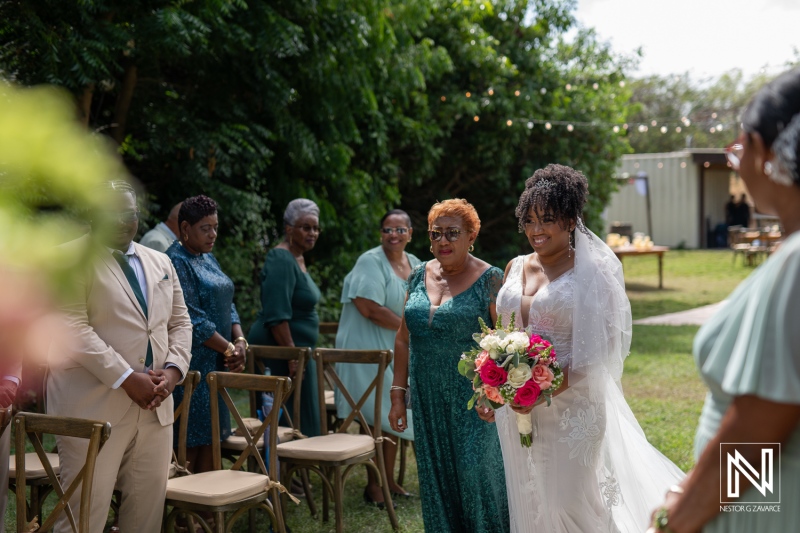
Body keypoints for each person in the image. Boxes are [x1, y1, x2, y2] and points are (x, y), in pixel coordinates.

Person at [488, 164, 683, 532]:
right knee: (529, 498)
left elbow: (600, 356)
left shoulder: (594, 275)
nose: (536, 230)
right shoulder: (515, 266)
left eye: (547, 219)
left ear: (571, 220)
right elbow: (501, 337)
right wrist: (495, 388)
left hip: (572, 408)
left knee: (569, 504)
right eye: (529, 220)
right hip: (516, 409)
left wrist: (541, 391)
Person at [649, 68, 800, 533]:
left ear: (767, 152)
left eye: (740, 148)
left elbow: (760, 428)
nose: (737, 162)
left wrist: (680, 517)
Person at [47, 180, 192, 532]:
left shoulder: (161, 262)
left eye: (129, 212)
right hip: (92, 406)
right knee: (84, 514)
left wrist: (173, 371)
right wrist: (128, 379)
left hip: (156, 407)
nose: (122, 220)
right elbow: (73, 329)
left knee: (145, 514)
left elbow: (181, 321)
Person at [388, 199, 510, 532]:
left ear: (472, 235)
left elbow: (505, 344)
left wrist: (492, 394)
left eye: (452, 233)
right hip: (426, 399)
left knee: (475, 477)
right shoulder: (417, 275)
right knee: (435, 478)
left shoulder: (491, 279)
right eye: (436, 233)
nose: (443, 241)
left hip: (473, 401)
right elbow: (403, 338)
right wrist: (398, 394)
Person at [335, 209, 420, 507]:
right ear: (380, 233)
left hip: (395, 348)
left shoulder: (418, 264)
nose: (393, 235)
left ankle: (388, 481)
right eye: (388, 229)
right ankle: (375, 486)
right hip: (366, 351)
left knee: (394, 410)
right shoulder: (370, 262)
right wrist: (409, 327)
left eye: (400, 230)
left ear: (411, 233)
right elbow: (368, 307)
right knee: (378, 412)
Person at [167, 195, 246, 477]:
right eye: (205, 228)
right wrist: (228, 350)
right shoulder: (175, 261)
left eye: (215, 226)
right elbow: (192, 318)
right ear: (185, 228)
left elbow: (228, 301)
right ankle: (186, 512)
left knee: (212, 437)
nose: (213, 234)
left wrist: (239, 341)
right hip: (193, 363)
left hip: (216, 360)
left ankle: (207, 514)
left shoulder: (208, 256)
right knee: (190, 437)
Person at [248, 198, 322, 438]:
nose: (313, 233)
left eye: (315, 228)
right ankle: (282, 469)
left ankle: (299, 469)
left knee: (301, 412)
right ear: (289, 229)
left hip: (297, 351)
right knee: (287, 417)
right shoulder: (281, 259)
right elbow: (277, 313)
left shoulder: (298, 258)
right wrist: (291, 354)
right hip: (281, 353)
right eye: (306, 227)